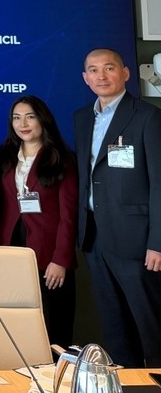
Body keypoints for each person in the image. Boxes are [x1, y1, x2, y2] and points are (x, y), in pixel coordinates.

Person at [74, 48, 161, 367]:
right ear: (86, 78)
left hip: (137, 241)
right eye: (94, 70)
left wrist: (157, 242)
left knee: (151, 326)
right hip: (95, 238)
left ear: (125, 73)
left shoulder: (148, 116)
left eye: (109, 68)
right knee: (114, 327)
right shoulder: (82, 118)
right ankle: (126, 382)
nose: (101, 75)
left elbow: (160, 183)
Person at [0, 95, 77, 347]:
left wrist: (60, 259)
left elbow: (69, 214)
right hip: (12, 248)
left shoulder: (61, 158)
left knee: (53, 324)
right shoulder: (5, 156)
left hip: (49, 252)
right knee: (17, 324)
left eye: (30, 117)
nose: (23, 124)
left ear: (43, 120)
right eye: (17, 118)